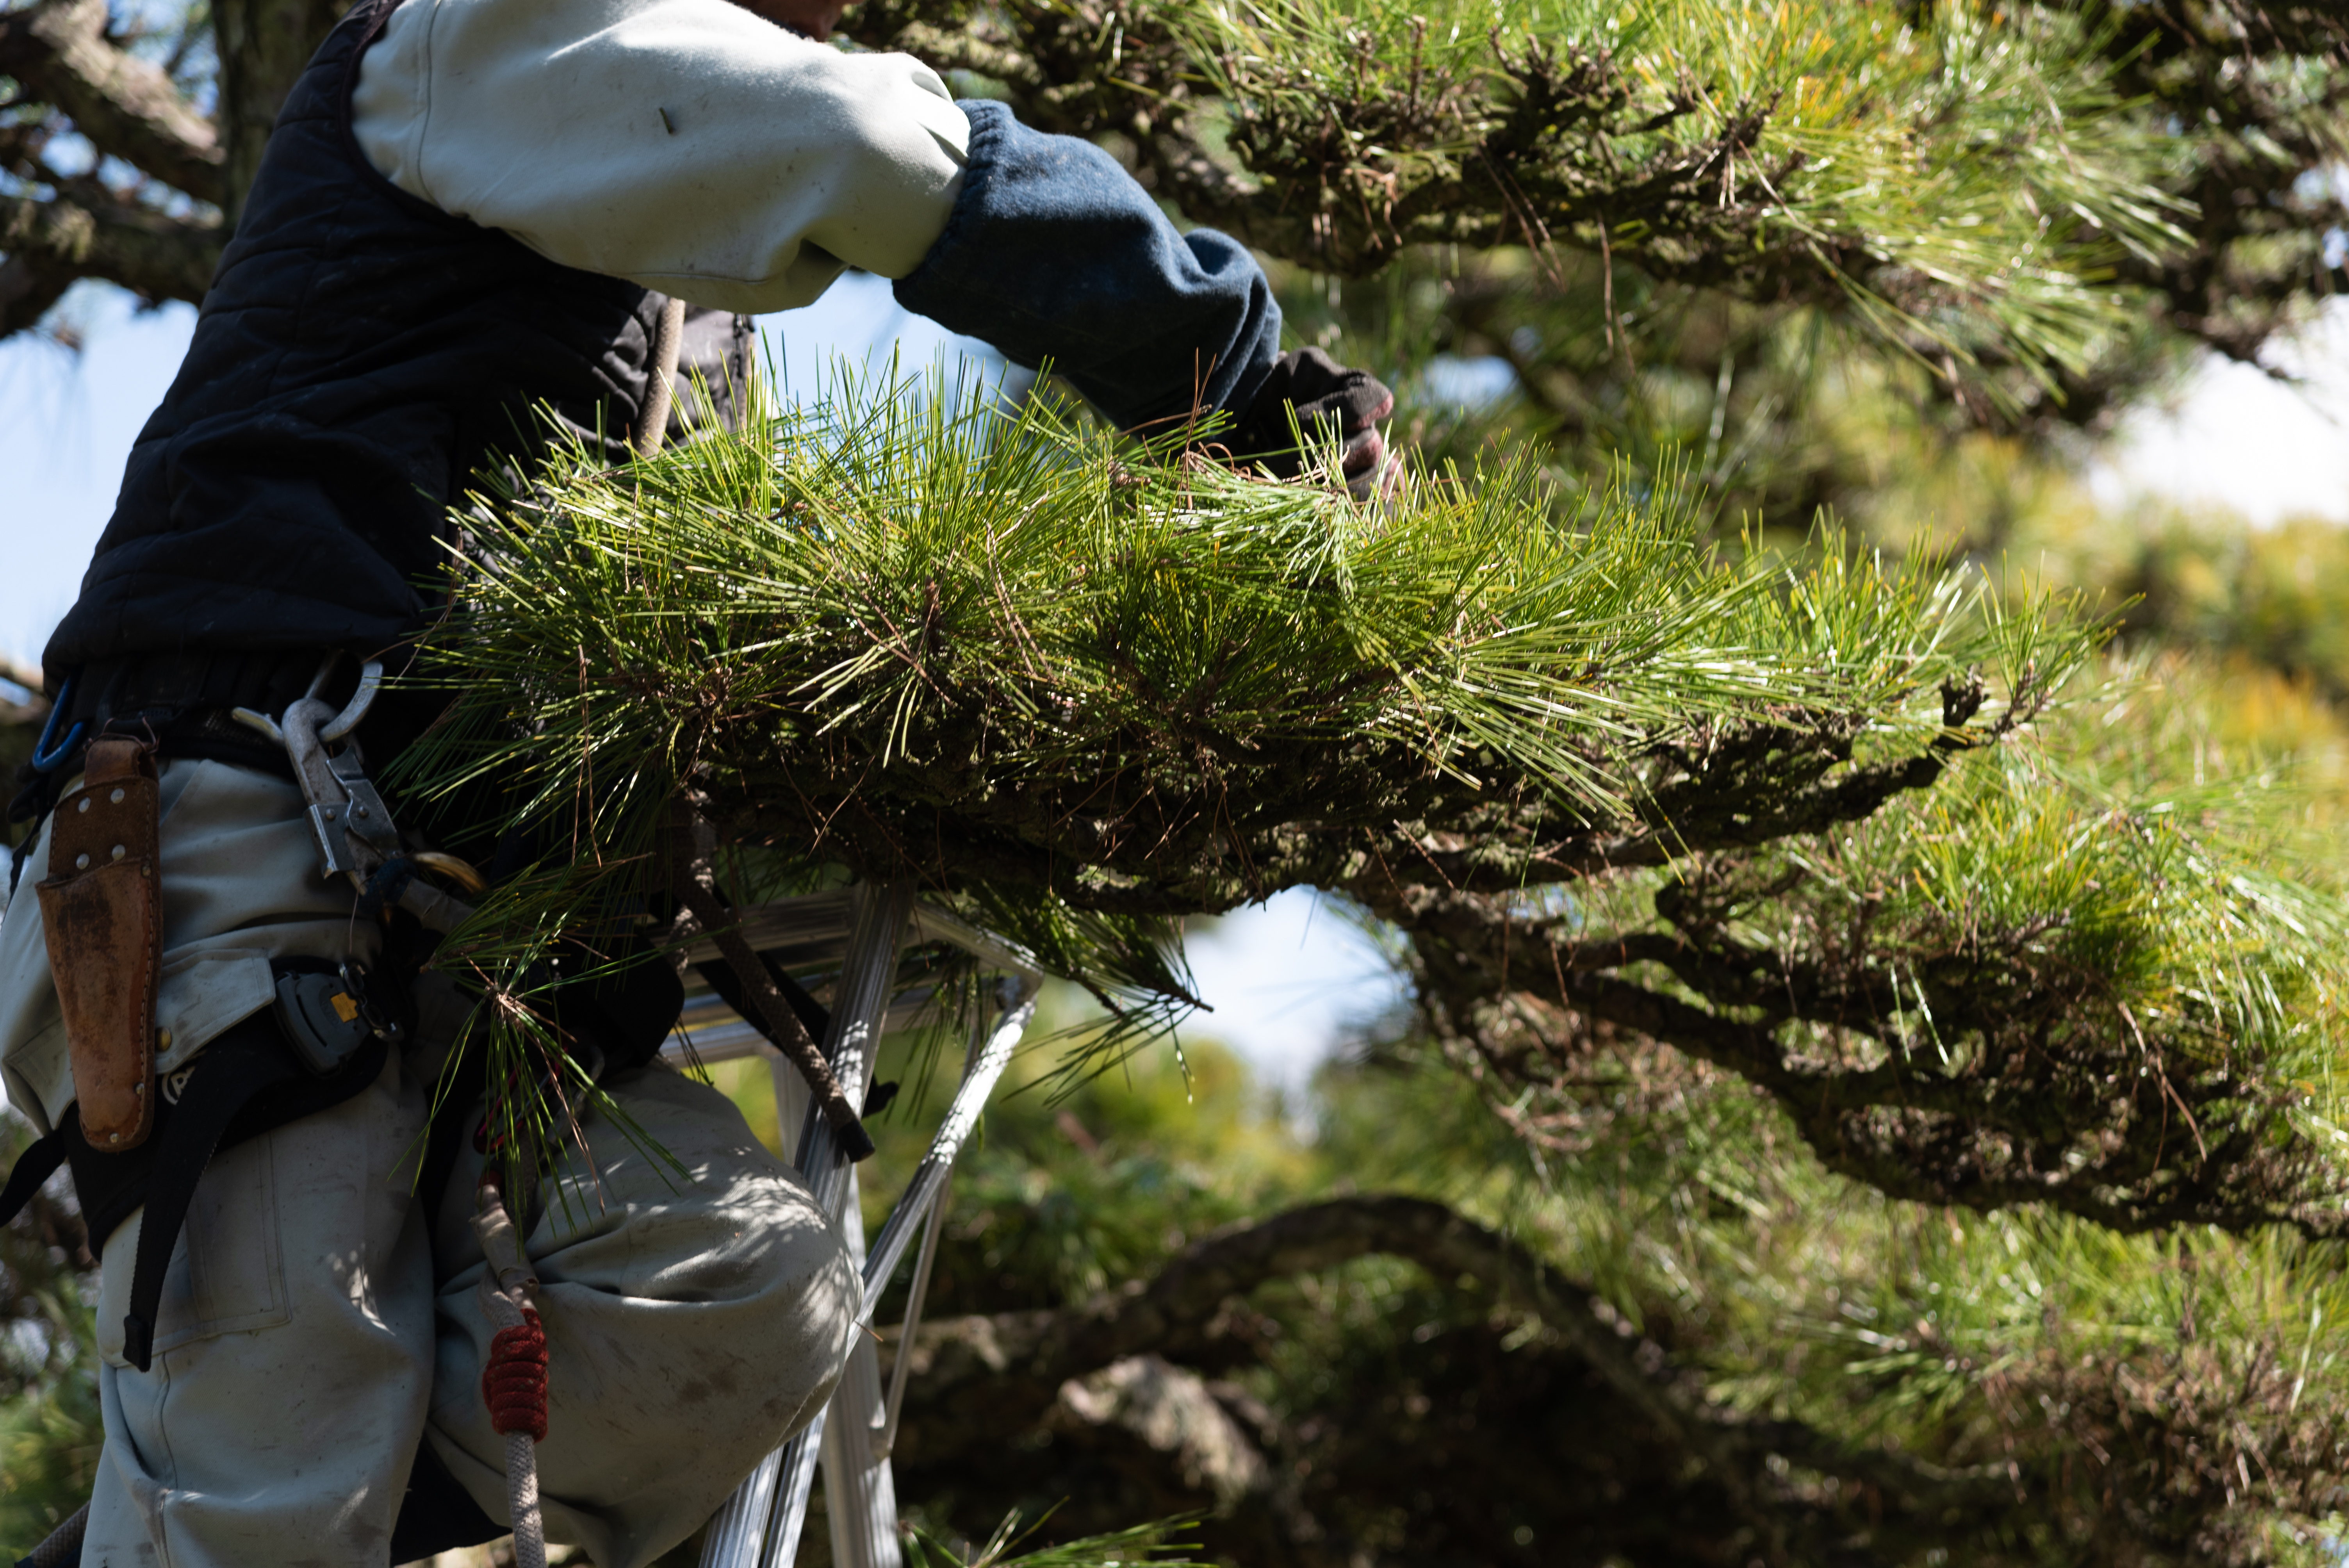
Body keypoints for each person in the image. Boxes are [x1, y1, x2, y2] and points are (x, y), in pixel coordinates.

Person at [0, 0, 1395, 1563]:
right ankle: (235, 1488)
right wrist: (1223, 363)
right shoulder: (473, 39)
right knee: (275, 1471)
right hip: (244, 853)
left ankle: (196, 1501)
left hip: (489, 953)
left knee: (736, 1288)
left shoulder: (686, 316)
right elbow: (864, 143)